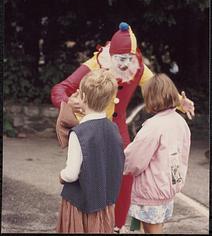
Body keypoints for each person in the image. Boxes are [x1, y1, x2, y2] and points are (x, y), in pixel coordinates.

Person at [51, 22, 195, 232]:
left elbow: (158, 89)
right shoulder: (95, 64)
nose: (126, 64)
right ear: (112, 56)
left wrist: (180, 104)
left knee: (125, 175)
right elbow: (59, 88)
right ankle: (86, 222)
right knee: (87, 174)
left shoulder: (137, 67)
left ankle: (116, 226)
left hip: (116, 129)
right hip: (90, 128)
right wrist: (67, 101)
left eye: (130, 58)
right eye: (121, 59)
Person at [56, 69, 125, 233]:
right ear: (109, 101)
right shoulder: (114, 129)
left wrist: (61, 175)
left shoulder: (79, 133)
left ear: (84, 98)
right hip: (104, 204)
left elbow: (71, 173)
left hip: (79, 205)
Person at [124, 73, 191, 234]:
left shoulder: (153, 126)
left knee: (151, 230)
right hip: (168, 188)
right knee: (156, 227)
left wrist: (124, 165)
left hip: (151, 192)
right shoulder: (179, 122)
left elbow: (135, 160)